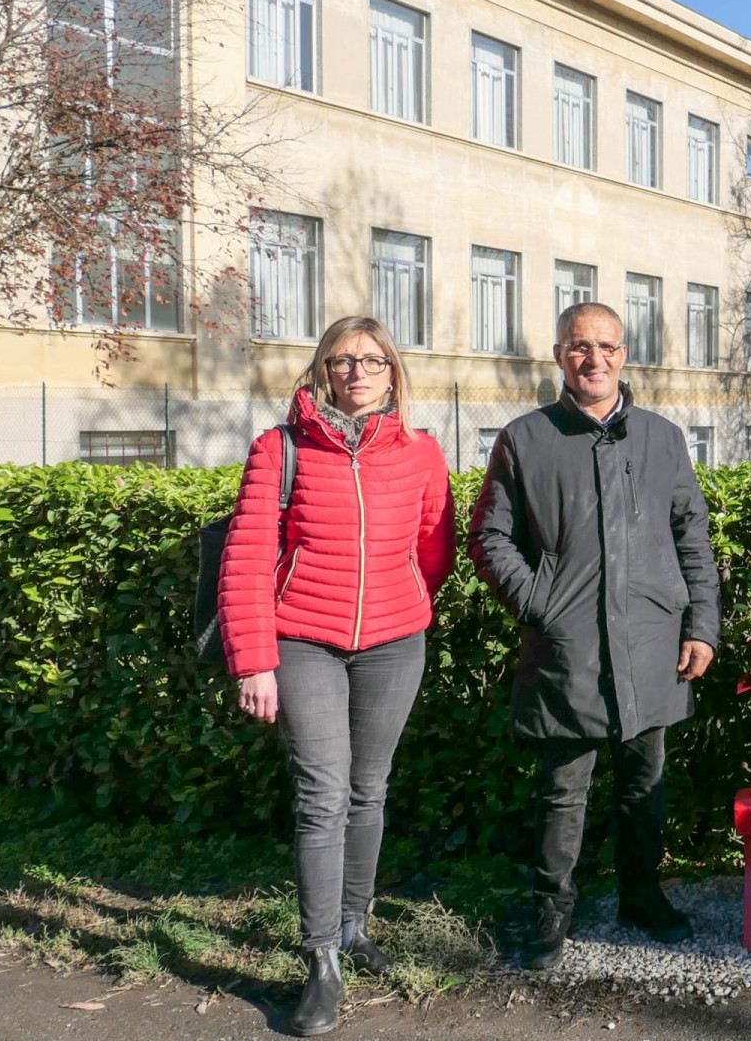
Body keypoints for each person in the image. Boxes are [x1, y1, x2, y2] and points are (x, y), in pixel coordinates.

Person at [218, 316, 456, 1037]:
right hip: (303, 642)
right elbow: (248, 557)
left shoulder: (419, 450)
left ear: (393, 371)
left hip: (394, 643)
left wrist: (403, 604)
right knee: (322, 795)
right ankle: (321, 959)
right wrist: (254, 660)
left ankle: (354, 927)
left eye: (372, 359)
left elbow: (434, 546)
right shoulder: (279, 448)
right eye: (342, 359)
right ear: (322, 370)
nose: (357, 371)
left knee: (369, 789)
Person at [468, 301, 720, 970]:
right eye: (580, 346)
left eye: (606, 346)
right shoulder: (525, 438)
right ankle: (553, 911)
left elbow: (692, 537)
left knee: (646, 782)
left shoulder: (663, 439)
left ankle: (642, 895)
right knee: (563, 789)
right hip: (568, 645)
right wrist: (539, 603)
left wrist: (701, 625)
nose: (594, 358)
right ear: (559, 355)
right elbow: (489, 537)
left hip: (652, 640)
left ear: (623, 355)